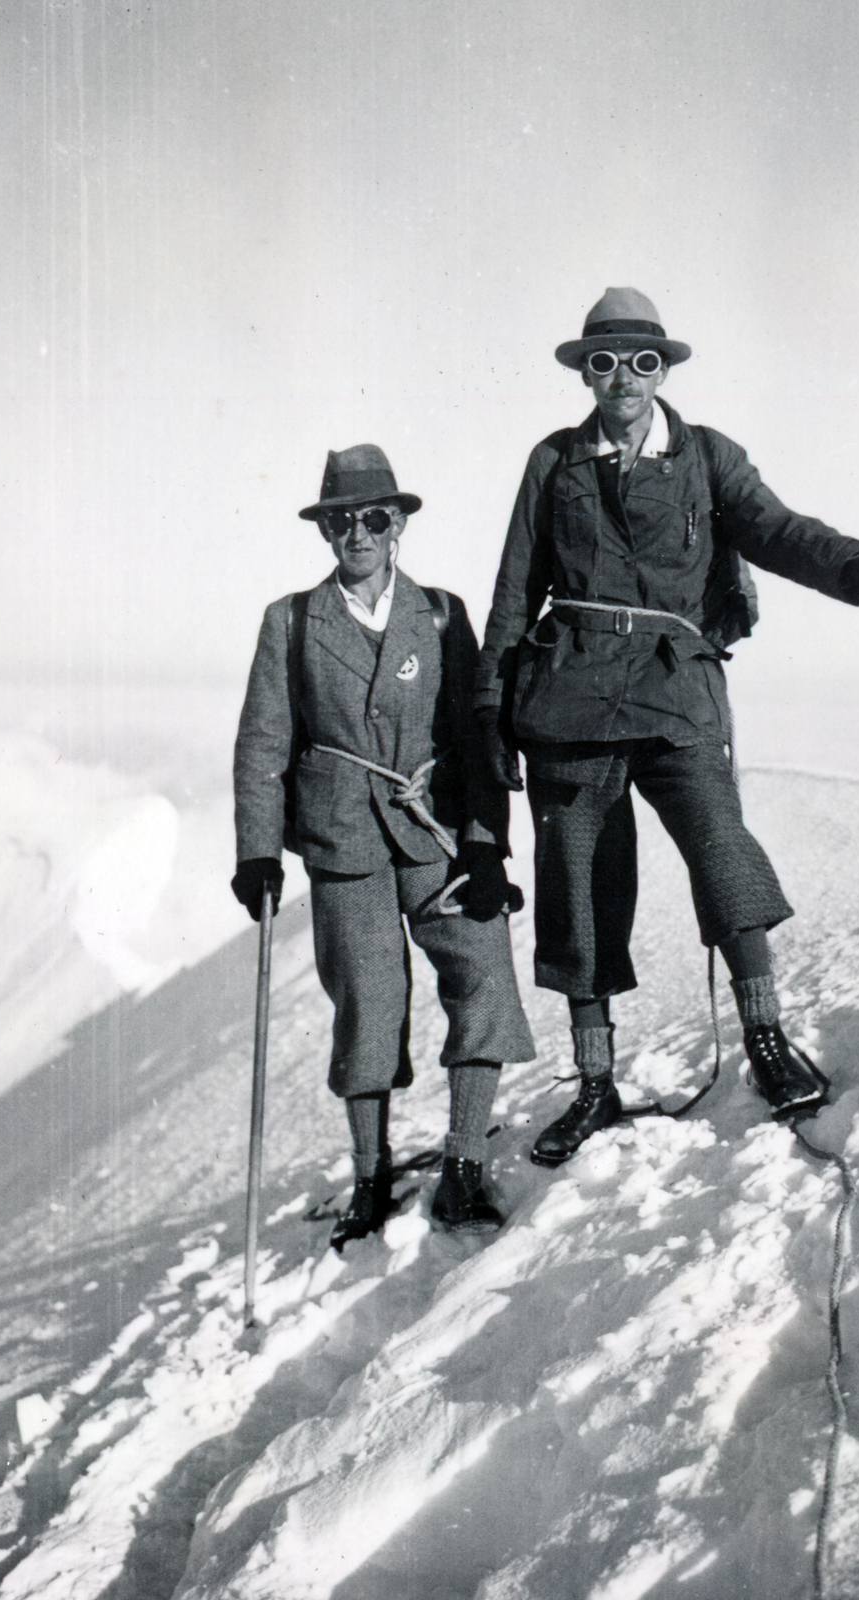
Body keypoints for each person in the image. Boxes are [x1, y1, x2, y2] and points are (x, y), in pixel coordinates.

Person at [475, 287, 859, 1165]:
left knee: (722, 847)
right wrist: (490, 703)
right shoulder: (553, 464)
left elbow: (775, 528)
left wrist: (853, 563)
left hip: (677, 695)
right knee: (578, 888)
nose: (623, 378)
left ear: (664, 368)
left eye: (641, 361)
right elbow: (515, 586)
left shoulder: (707, 456)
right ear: (584, 373)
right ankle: (595, 1087)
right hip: (568, 701)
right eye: (603, 362)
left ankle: (767, 1042)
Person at [232, 444, 535, 1249]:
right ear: (326, 532)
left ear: (397, 524)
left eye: (372, 519)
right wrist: (258, 851)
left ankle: (466, 1162)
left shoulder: (440, 614)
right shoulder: (291, 621)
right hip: (341, 841)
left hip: (431, 826)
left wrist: (483, 844)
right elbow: (263, 744)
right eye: (340, 522)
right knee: (368, 1001)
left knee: (482, 966)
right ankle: (372, 1174)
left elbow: (476, 740)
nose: (356, 535)